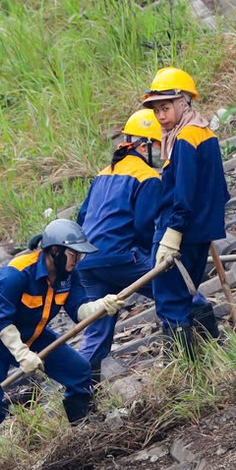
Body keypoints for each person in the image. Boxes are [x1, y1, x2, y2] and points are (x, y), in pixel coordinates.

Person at [0, 218, 120, 470]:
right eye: (74, 254)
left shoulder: (68, 276)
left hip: (33, 332)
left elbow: (78, 311)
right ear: (54, 251)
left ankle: (83, 433)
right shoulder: (16, 273)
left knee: (79, 371)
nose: (78, 260)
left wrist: (99, 306)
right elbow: (0, 320)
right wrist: (22, 354)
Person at [69, 108, 165, 385]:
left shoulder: (103, 174)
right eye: (157, 144)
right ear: (143, 146)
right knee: (178, 294)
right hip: (122, 260)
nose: (160, 151)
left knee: (96, 334)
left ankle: (79, 399)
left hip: (86, 263)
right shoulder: (148, 178)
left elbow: (82, 218)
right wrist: (154, 258)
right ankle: (196, 359)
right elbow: (145, 226)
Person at [141, 66, 229, 355]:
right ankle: (207, 355)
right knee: (186, 294)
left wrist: (174, 231)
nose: (161, 116)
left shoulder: (186, 138)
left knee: (170, 298)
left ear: (183, 102)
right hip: (199, 230)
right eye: (156, 111)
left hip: (179, 230)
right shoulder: (204, 133)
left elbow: (185, 191)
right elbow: (219, 190)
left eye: (166, 108)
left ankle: (185, 368)